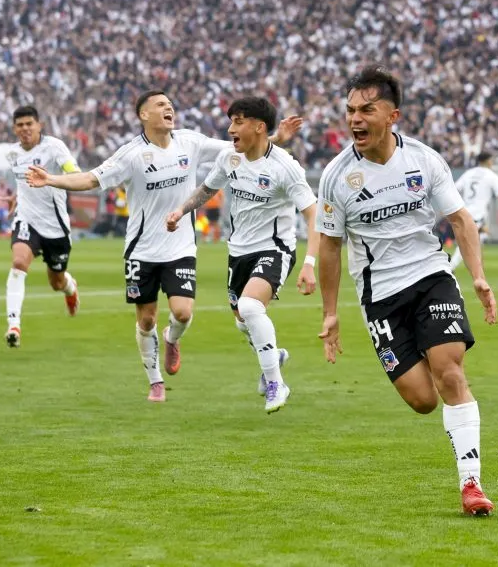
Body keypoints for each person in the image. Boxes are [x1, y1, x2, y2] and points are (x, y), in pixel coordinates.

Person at [27, 90, 301, 401]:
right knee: (145, 319)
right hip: (142, 249)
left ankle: (172, 338)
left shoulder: (190, 142)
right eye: (160, 105)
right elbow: (91, 179)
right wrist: (50, 179)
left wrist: (278, 135)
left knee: (182, 313)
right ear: (144, 115)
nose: (168, 107)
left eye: (170, 103)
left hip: (180, 246)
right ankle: (155, 381)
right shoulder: (130, 154)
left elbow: (242, 147)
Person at [316, 66, 498, 516]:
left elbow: (460, 220)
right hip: (379, 296)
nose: (355, 119)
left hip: (432, 277)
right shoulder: (337, 177)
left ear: (392, 115)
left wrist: (477, 276)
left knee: (450, 372)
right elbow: (331, 248)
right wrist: (330, 312)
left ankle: (471, 483)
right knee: (421, 399)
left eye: (367, 109)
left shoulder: (424, 160)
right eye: (350, 110)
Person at [167, 97, 319, 413]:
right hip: (239, 252)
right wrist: (181, 210)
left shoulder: (285, 167)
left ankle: (276, 383)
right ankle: (272, 354)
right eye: (231, 121)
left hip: (276, 248)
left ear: (258, 127)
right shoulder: (229, 158)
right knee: (242, 320)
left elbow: (313, 214)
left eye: (237, 121)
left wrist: (309, 263)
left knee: (250, 306)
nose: (230, 128)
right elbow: (208, 189)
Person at [4, 105, 81, 348]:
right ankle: (13, 325)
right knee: (18, 264)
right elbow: (23, 184)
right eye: (20, 125)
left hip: (55, 228)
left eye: (29, 124)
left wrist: (56, 178)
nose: (25, 129)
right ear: (14, 128)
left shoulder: (54, 148)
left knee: (56, 282)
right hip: (27, 220)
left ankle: (70, 288)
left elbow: (74, 172)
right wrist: (17, 197)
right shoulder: (13, 154)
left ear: (39, 125)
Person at [449, 151, 498, 270]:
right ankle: (449, 268)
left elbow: (453, 189)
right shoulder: (491, 175)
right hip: (477, 215)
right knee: (467, 244)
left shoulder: (469, 173)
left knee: (479, 240)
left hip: (465, 212)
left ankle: (479, 273)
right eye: (492, 160)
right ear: (488, 161)